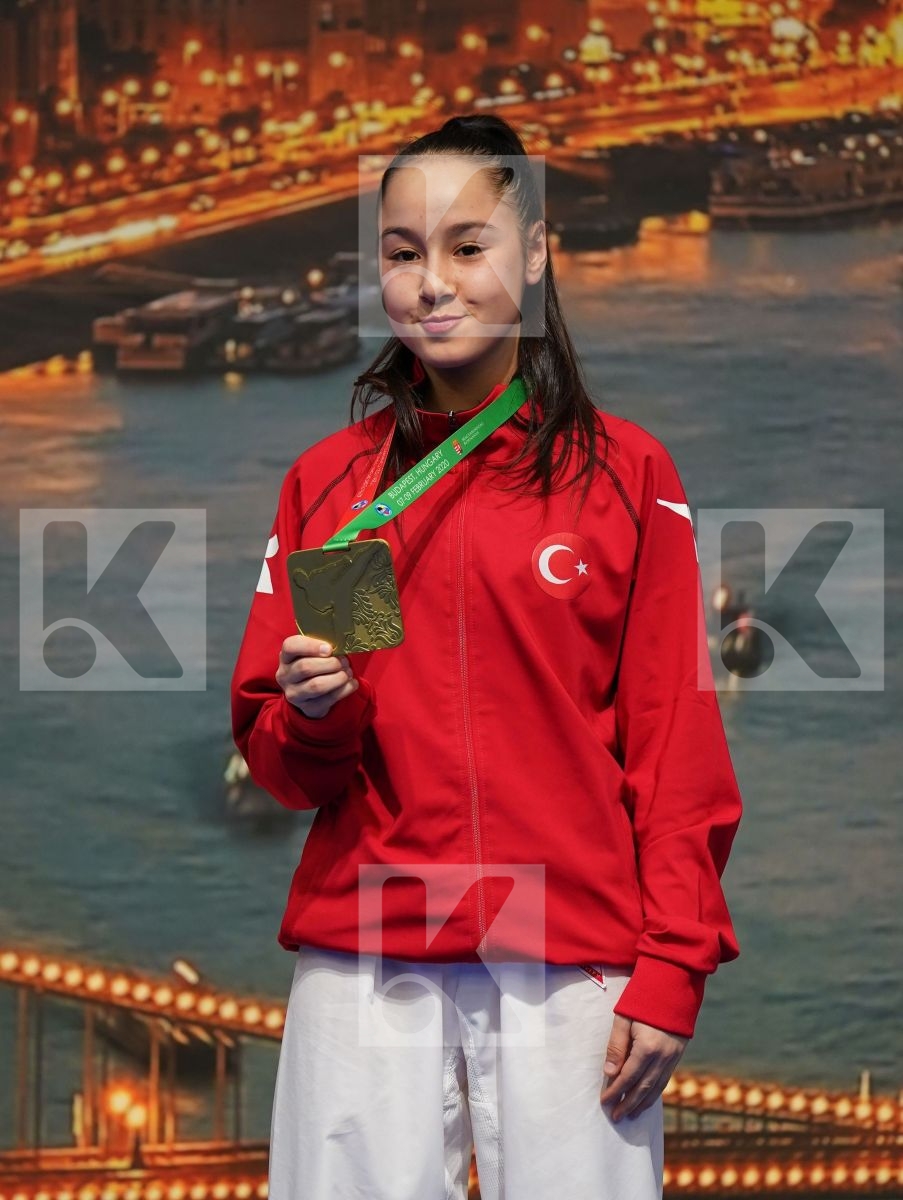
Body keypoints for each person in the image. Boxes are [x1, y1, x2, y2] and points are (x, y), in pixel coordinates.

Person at [230, 113, 743, 1200]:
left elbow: (672, 740)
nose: (433, 282)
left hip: (571, 955)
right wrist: (316, 718)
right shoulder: (339, 491)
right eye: (405, 253)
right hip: (370, 948)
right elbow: (285, 767)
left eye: (469, 247)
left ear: (539, 253)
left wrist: (673, 967)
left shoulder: (625, 479)